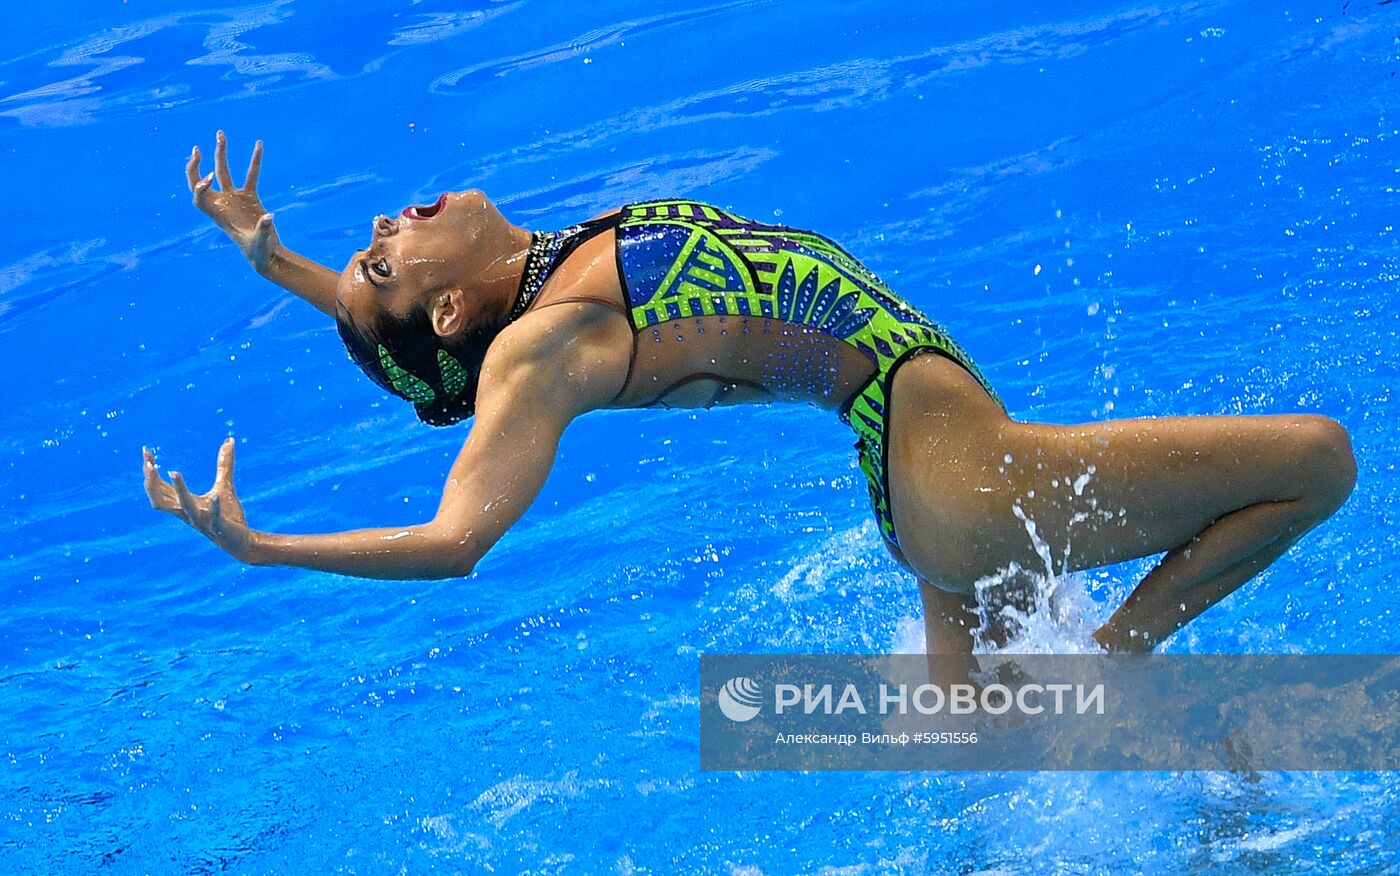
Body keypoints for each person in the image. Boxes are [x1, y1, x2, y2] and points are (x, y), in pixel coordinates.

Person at [144, 133, 1356, 661]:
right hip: (955, 472)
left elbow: (418, 341)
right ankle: (1120, 656)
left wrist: (282, 264)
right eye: (378, 256)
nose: (380, 226)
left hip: (914, 478)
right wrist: (261, 550)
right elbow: (458, 538)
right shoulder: (541, 344)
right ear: (452, 311)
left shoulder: (519, 297)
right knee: (1316, 460)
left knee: (995, 763)